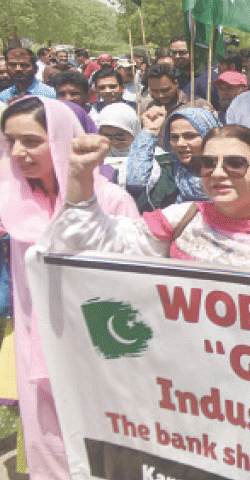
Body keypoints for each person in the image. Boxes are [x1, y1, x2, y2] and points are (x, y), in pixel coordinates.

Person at [0, 96, 138, 480]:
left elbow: (133, 285)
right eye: (10, 141)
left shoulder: (110, 201)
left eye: (31, 140)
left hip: (99, 344)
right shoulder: (12, 204)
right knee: (48, 441)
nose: (18, 152)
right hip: (35, 341)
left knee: (102, 445)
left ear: (62, 139)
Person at [48, 124, 250, 277]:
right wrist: (79, 175)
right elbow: (95, 242)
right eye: (207, 163)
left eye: (235, 164)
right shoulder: (183, 218)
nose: (218, 173)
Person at [125, 108, 222, 212]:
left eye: (190, 136)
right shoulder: (169, 171)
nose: (180, 143)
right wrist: (149, 131)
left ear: (209, 137)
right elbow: (135, 182)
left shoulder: (229, 171)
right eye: (174, 137)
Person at [95, 102, 140, 171]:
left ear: (134, 132)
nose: (114, 142)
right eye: (108, 137)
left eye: (120, 137)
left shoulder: (151, 155)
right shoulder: (95, 157)